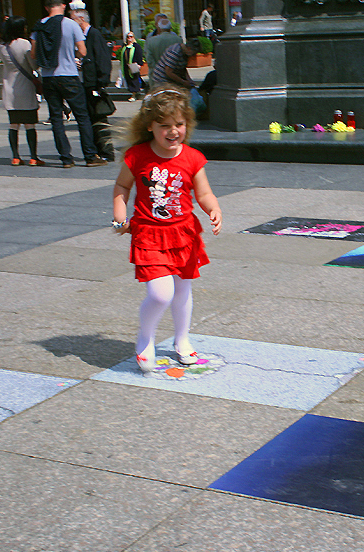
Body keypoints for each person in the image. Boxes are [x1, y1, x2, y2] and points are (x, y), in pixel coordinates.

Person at [111, 86, 222, 375]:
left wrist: (213, 208)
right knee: (161, 294)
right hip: (149, 235)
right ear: (150, 126)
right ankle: (145, 337)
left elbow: (204, 193)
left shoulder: (193, 158)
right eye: (165, 126)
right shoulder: (137, 155)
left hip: (184, 234)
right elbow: (122, 186)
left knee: (182, 290)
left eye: (179, 124)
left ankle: (182, 339)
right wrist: (120, 216)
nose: (173, 131)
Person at [31, 0, 106, 168]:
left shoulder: (39, 26)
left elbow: (34, 54)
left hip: (49, 77)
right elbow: (83, 51)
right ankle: (90, 155)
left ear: (46, 7)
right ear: (63, 6)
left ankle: (66, 158)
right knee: (82, 116)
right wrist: (73, 55)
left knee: (56, 118)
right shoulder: (71, 24)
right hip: (69, 75)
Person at [0, 16, 43, 166]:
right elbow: (33, 65)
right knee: (30, 125)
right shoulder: (24, 43)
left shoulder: (2, 47)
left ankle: (15, 157)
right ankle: (33, 157)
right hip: (25, 88)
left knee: (13, 125)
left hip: (9, 89)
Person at [70, 9, 115, 161]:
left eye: (73, 19)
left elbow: (103, 60)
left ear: (81, 19)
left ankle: (106, 151)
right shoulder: (80, 37)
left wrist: (101, 83)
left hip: (93, 84)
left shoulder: (94, 35)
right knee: (90, 118)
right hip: (84, 83)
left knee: (99, 119)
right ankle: (97, 150)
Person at [120, 31, 145, 101]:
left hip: (133, 65)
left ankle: (134, 95)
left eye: (131, 36)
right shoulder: (124, 46)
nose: (129, 38)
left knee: (134, 79)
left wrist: (139, 64)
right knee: (129, 80)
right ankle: (135, 92)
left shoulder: (136, 46)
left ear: (133, 37)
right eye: (128, 37)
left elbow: (139, 55)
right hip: (126, 66)